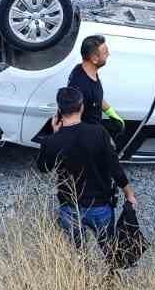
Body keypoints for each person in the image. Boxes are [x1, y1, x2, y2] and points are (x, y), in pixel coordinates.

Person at [37, 85, 137, 247]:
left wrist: (55, 134)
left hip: (70, 207)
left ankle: (82, 269)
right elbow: (114, 167)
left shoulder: (50, 141)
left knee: (78, 248)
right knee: (108, 246)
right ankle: (111, 270)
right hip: (100, 206)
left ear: (59, 110)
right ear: (81, 107)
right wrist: (129, 194)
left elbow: (44, 168)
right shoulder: (98, 133)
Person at [67, 34, 126, 142]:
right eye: (105, 52)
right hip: (88, 135)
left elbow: (96, 97)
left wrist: (111, 113)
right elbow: (74, 121)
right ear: (94, 59)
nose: (108, 54)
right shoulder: (81, 88)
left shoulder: (83, 68)